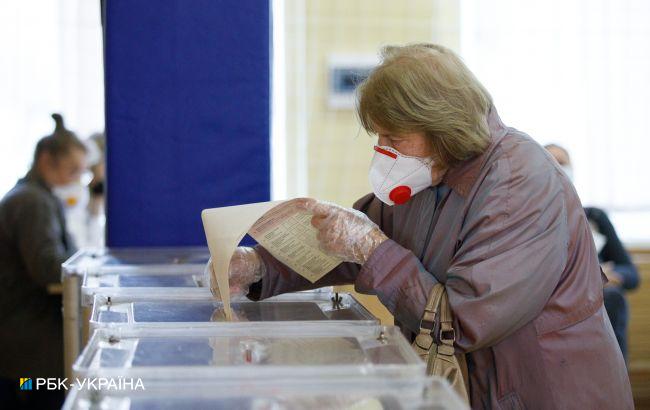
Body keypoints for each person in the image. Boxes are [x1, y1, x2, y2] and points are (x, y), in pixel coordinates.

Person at [209, 44, 633, 408]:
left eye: (394, 137)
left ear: (443, 126)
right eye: (379, 136)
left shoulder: (518, 181)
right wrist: (260, 266)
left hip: (543, 391)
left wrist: (371, 248)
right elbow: (345, 244)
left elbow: (464, 320)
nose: (383, 151)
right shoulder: (432, 169)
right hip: (472, 386)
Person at [0, 114, 87, 409]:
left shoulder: (33, 196)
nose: (77, 180)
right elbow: (49, 269)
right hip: (31, 358)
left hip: (25, 345)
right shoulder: (32, 202)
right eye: (73, 170)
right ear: (47, 160)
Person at [545, 143, 640, 360]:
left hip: (599, 302)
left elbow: (631, 274)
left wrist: (613, 276)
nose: (558, 167)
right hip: (557, 305)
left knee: (612, 297)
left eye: (563, 163)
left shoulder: (594, 218)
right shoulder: (534, 222)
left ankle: (617, 379)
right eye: (551, 162)